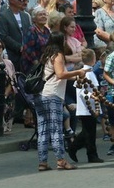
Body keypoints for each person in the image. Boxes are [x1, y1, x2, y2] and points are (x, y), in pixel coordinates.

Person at [33, 32, 85, 171]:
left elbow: (56, 75)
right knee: (56, 128)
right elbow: (60, 74)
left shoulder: (46, 55)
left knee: (43, 129)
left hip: (41, 94)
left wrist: (74, 77)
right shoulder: (58, 55)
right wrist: (78, 72)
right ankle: (61, 160)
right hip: (53, 94)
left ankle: (42, 162)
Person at [69, 49, 104, 163]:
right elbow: (81, 91)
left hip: (92, 107)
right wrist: (91, 96)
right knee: (88, 132)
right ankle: (82, 150)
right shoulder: (85, 73)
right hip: (86, 108)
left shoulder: (88, 72)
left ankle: (88, 152)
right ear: (93, 59)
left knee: (88, 131)